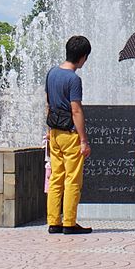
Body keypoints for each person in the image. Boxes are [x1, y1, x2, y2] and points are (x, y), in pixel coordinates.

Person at [45, 35, 92, 235]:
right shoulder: (73, 79)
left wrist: (48, 131)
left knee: (56, 177)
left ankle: (53, 221)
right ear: (82, 57)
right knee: (72, 179)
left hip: (54, 132)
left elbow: (48, 103)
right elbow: (76, 110)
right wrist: (83, 140)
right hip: (70, 134)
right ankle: (69, 223)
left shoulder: (52, 73)